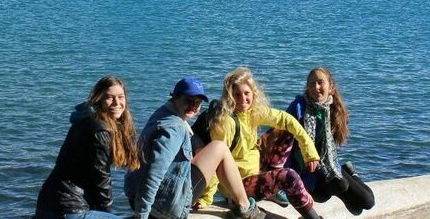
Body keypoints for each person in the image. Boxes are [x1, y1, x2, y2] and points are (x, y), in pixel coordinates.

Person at [125, 77, 265, 219]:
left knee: (200, 143)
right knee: (220, 148)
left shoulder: (162, 114)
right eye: (189, 101)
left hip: (135, 195)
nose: (193, 106)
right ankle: (244, 207)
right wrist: (142, 215)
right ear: (176, 97)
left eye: (197, 103)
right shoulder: (173, 130)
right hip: (164, 209)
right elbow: (154, 173)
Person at [197, 67, 323, 219]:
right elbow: (216, 162)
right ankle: (314, 217)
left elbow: (286, 119)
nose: (243, 99)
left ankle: (273, 189)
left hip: (256, 170)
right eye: (236, 95)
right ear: (229, 96)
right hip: (239, 186)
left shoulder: (252, 112)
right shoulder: (226, 123)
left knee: (285, 129)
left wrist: (308, 150)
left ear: (253, 93)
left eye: (246, 93)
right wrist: (206, 197)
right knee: (288, 176)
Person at [35, 75, 140, 219]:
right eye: (110, 98)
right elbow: (101, 176)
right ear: (99, 99)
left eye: (121, 97)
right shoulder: (100, 130)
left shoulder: (85, 120)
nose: (117, 103)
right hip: (69, 208)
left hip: (49, 202)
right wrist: (106, 212)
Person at [280, 67, 375, 214]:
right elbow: (282, 145)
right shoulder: (298, 108)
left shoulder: (332, 110)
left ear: (331, 87)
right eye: (311, 84)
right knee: (333, 190)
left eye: (320, 82)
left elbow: (330, 148)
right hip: (306, 172)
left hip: (329, 165)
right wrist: (288, 181)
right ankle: (345, 174)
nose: (315, 87)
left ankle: (351, 172)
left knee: (368, 202)